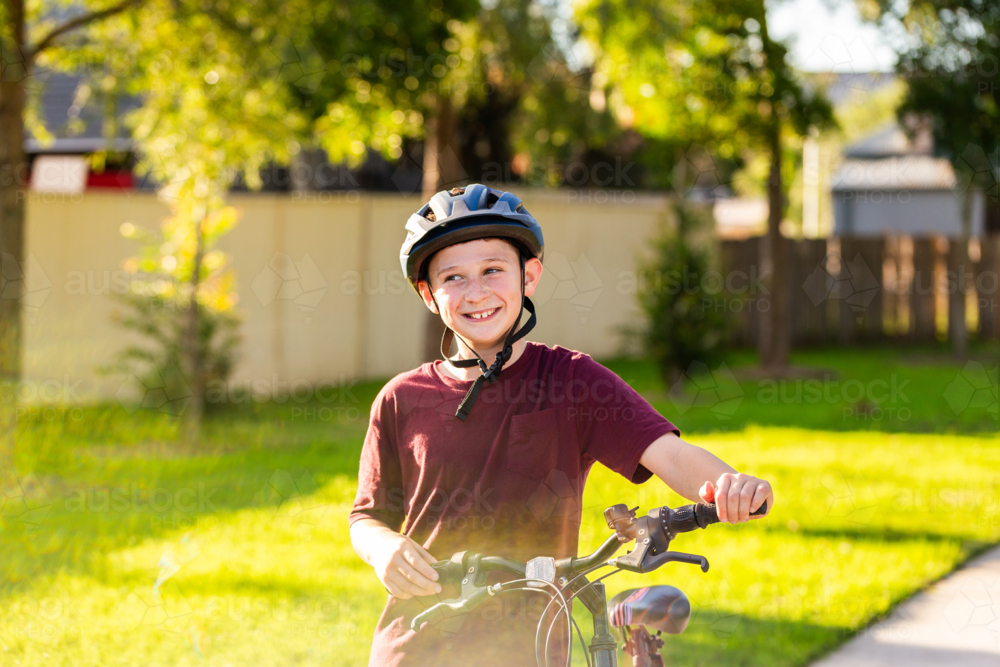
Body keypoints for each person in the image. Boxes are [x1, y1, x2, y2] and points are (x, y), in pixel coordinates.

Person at [349, 184, 774, 667]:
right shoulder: (401, 398)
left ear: (529, 276)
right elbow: (367, 516)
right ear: (429, 294)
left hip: (530, 646)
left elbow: (668, 452)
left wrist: (726, 486)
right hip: (417, 642)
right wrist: (383, 549)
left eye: (493, 270)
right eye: (453, 277)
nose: (477, 292)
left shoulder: (572, 381)